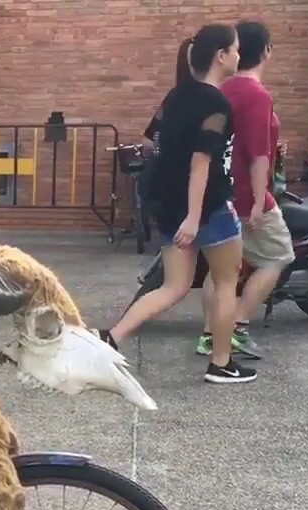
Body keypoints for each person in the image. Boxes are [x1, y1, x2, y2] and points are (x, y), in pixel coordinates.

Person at [100, 24, 258, 384]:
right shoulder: (216, 103)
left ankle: (110, 338)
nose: (238, 56)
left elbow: (155, 143)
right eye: (234, 50)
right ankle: (221, 364)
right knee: (226, 283)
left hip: (171, 206)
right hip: (209, 208)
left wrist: (185, 215)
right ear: (220, 56)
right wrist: (194, 216)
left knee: (173, 286)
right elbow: (201, 161)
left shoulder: (175, 96)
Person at [191, 20, 292, 359]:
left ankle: (210, 334)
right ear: (266, 51)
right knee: (279, 256)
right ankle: (236, 325)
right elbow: (258, 155)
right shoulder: (256, 94)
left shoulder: (223, 90)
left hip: (219, 192)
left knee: (221, 270)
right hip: (248, 195)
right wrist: (261, 201)